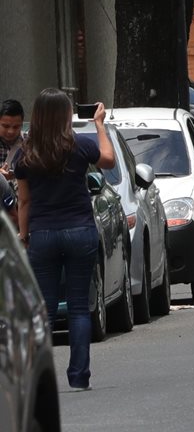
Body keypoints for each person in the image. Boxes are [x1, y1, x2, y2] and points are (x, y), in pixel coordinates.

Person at [14, 89, 117, 391]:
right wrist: (99, 124)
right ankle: (79, 375)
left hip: (43, 234)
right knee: (78, 307)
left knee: (44, 310)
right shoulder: (79, 146)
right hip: (80, 231)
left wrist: (24, 237)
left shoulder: (25, 155)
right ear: (65, 117)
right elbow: (109, 160)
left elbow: (24, 202)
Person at [0, 99, 26, 224]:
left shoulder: (30, 144)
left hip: (24, 206)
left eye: (16, 127)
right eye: (5, 126)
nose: (10, 131)